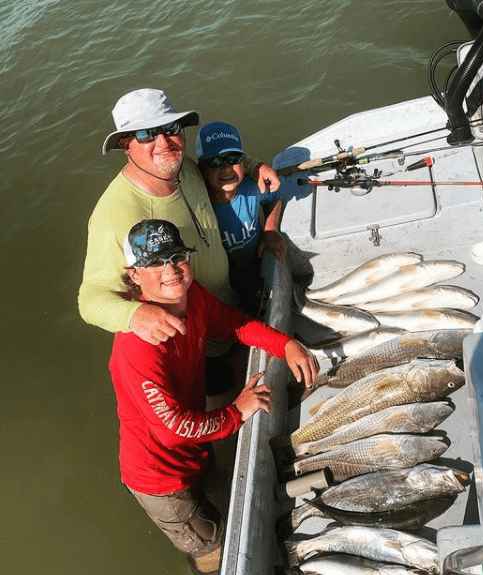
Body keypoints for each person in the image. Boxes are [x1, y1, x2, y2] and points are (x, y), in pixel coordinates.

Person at [110, 219, 318, 574]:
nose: (171, 270)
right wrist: (236, 411)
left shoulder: (194, 296)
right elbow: (172, 429)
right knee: (212, 547)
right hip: (160, 478)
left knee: (217, 487)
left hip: (194, 447)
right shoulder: (137, 348)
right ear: (134, 275)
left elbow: (234, 324)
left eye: (177, 257)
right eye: (156, 262)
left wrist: (285, 344)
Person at [78, 88, 280, 347]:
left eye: (170, 128)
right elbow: (91, 298)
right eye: (146, 134)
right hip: (196, 339)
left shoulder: (184, 166)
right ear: (125, 144)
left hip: (232, 306)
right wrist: (133, 315)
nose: (164, 143)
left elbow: (220, 163)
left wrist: (254, 165)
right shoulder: (114, 215)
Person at [196, 121, 288, 315]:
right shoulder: (200, 203)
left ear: (245, 163)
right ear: (202, 170)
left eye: (233, 158)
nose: (226, 168)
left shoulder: (252, 188)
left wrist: (270, 230)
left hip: (255, 262)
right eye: (214, 162)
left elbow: (274, 198)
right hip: (226, 280)